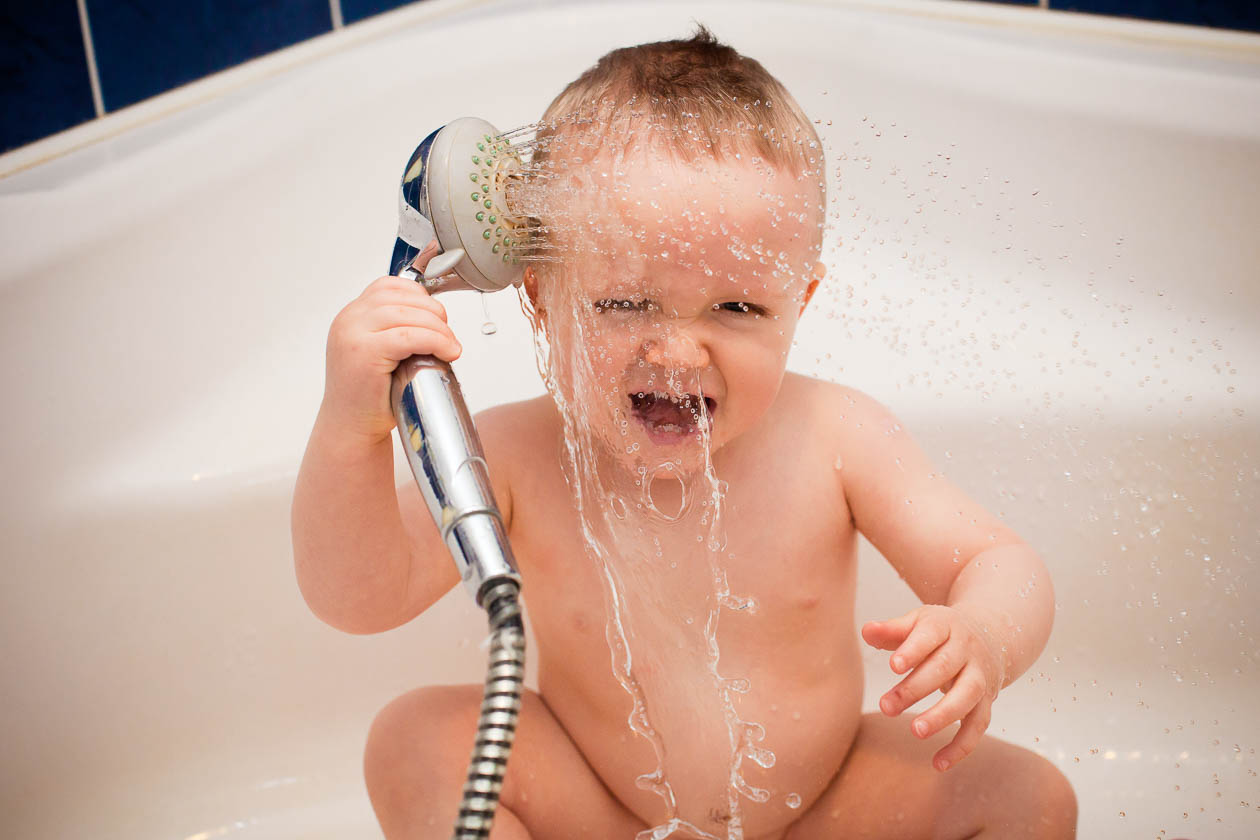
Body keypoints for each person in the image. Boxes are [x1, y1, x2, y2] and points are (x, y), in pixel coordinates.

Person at [291, 27, 1077, 840]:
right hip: (601, 813)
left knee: (1029, 799)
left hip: (826, 810)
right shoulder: (517, 456)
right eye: (625, 303)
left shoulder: (837, 438)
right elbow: (358, 597)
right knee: (415, 743)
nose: (675, 351)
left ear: (798, 304)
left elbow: (999, 562)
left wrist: (984, 635)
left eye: (737, 307)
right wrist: (351, 427)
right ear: (541, 298)